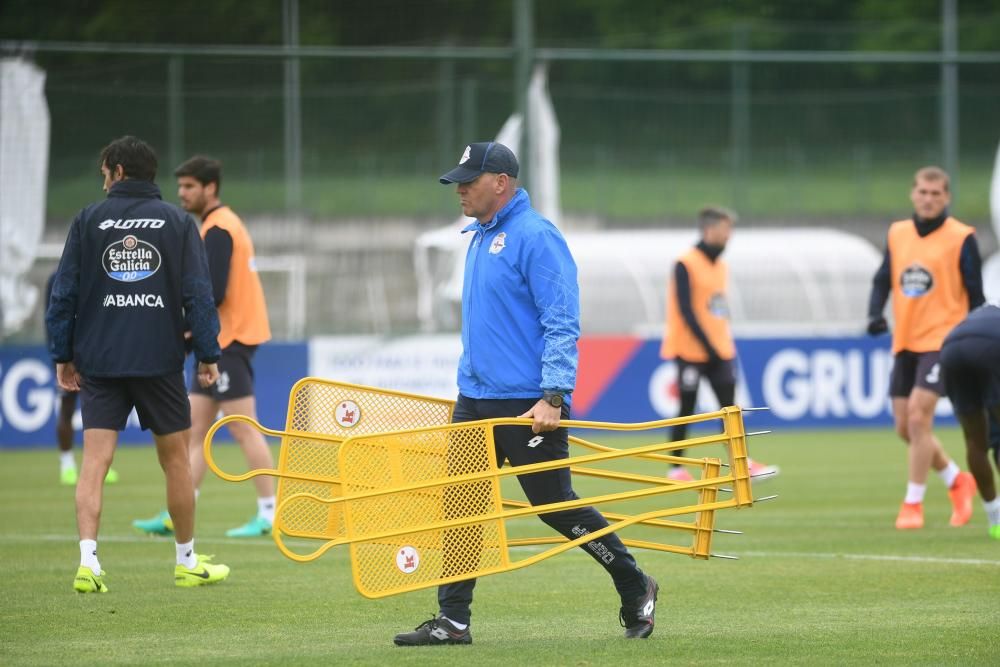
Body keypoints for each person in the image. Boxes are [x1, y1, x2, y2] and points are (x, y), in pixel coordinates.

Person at [393, 142, 658, 647]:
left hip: (529, 403)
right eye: (459, 182)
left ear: (502, 182)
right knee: (462, 504)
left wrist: (554, 395)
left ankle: (634, 584)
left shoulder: (536, 237)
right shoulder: (477, 236)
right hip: (474, 398)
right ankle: (453, 621)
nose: (461, 190)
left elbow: (562, 321)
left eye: (470, 180)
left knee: (556, 508)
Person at [46, 135, 230, 592]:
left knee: (94, 463)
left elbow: (63, 293)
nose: (103, 179)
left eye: (104, 171)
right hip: (158, 360)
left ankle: (88, 563)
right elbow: (199, 295)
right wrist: (208, 354)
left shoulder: (88, 220)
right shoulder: (176, 222)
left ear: (119, 171)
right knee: (175, 464)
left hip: (101, 361)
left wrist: (62, 354)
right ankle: (186, 561)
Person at [132, 156, 275, 538]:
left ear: (210, 188)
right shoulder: (221, 224)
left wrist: (186, 331)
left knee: (244, 429)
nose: (181, 194)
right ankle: (177, 512)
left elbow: (212, 291)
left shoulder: (218, 228)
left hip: (228, 342)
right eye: (180, 187)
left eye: (189, 187)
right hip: (221, 342)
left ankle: (270, 514)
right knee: (193, 434)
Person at [867, 165, 982, 530]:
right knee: (905, 427)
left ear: (947, 197)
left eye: (936, 194)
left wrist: (975, 339)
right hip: (906, 341)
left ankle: (912, 504)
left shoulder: (962, 237)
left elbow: (976, 296)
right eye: (923, 192)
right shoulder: (898, 233)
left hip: (945, 341)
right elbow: (884, 278)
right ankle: (955, 479)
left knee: (919, 418)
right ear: (913, 194)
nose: (929, 199)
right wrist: (874, 314)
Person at [659, 206, 778, 483]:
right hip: (690, 349)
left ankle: (742, 463)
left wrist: (719, 344)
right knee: (686, 407)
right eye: (726, 231)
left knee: (730, 409)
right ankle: (675, 467)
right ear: (710, 230)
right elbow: (686, 310)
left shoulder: (721, 266)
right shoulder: (685, 263)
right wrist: (707, 346)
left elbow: (716, 309)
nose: (729, 237)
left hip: (720, 350)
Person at [45, 271, 120, 486]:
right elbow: (52, 318)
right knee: (67, 407)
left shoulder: (100, 274)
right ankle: (67, 464)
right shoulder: (57, 277)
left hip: (95, 354)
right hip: (68, 357)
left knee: (102, 411)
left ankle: (101, 462)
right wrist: (61, 355)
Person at [939, 303, 1000, 539]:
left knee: (975, 442)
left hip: (951, 349)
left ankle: (995, 518)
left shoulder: (981, 315)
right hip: (991, 346)